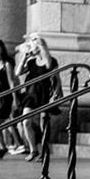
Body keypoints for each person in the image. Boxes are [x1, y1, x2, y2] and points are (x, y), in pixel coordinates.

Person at [16, 33, 61, 162]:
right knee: (26, 121)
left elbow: (56, 79)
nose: (31, 49)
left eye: (33, 46)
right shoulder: (31, 62)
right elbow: (18, 72)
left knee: (44, 123)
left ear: (39, 47)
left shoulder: (51, 61)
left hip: (44, 93)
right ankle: (33, 149)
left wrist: (56, 93)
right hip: (31, 94)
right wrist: (24, 58)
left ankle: (44, 151)